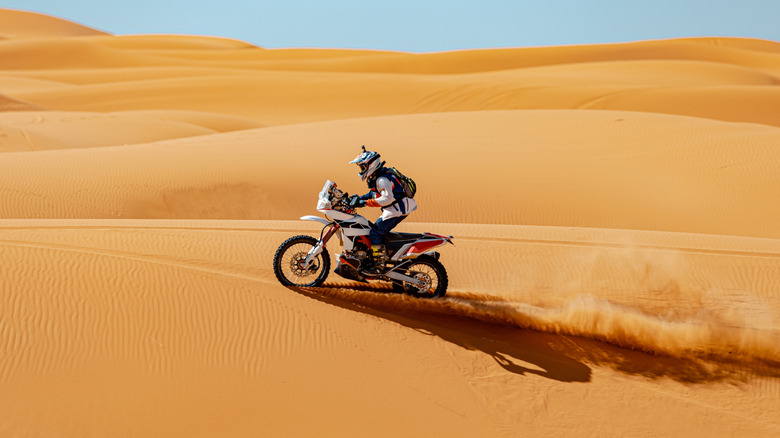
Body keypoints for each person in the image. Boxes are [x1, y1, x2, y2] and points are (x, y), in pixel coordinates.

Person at [347, 146, 417, 272]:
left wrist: (365, 203)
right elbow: (374, 194)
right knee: (372, 230)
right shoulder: (377, 176)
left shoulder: (382, 179)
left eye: (363, 167)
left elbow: (387, 199)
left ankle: (379, 264)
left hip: (397, 210)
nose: (361, 170)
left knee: (375, 233)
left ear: (371, 165)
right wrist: (357, 198)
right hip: (394, 209)